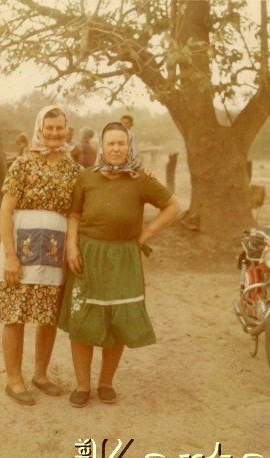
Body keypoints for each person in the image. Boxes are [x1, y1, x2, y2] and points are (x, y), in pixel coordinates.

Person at [58, 122, 181, 407]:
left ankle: (105, 383)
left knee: (118, 318)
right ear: (102, 146)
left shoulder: (140, 178)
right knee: (84, 319)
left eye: (121, 144)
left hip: (124, 257)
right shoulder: (86, 177)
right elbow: (74, 215)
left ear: (129, 146)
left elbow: (174, 207)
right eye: (110, 143)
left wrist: (145, 234)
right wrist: (72, 246)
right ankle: (82, 385)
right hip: (88, 255)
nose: (116, 149)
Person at [0, 105, 81, 405]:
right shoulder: (22, 164)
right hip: (22, 247)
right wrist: (10, 255)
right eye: (50, 127)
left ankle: (40, 375)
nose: (55, 133)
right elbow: (6, 210)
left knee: (47, 316)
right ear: (39, 128)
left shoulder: (74, 170)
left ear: (66, 130)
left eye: (60, 128)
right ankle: (14, 379)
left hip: (55, 251)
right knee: (15, 313)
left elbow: (74, 212)